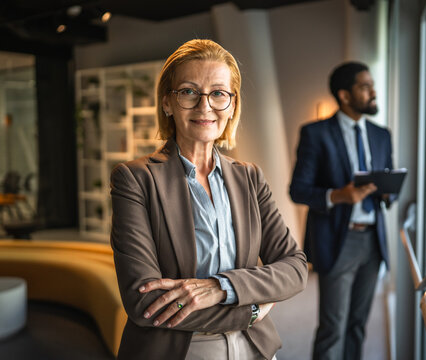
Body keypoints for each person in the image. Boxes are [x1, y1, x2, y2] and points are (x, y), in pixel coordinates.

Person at [110, 39, 308, 360]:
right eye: (189, 92)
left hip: (255, 347)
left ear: (232, 105)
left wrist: (222, 287)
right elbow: (144, 302)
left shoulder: (249, 177)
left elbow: (295, 268)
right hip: (182, 349)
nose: (205, 106)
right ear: (167, 103)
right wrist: (252, 310)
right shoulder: (135, 179)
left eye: (218, 93)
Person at [289, 61, 395, 360]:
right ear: (345, 95)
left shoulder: (381, 135)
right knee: (333, 327)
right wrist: (338, 196)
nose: (373, 92)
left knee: (358, 325)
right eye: (365, 86)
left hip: (374, 241)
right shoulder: (315, 133)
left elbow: (387, 187)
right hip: (338, 240)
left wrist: (389, 192)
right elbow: (298, 190)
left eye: (372, 85)